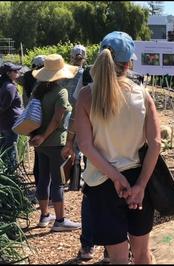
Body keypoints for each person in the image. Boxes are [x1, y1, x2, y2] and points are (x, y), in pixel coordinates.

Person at [75, 31, 161, 264]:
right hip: (137, 180)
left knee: (118, 258)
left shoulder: (85, 96)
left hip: (101, 183)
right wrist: (140, 185)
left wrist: (115, 177)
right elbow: (155, 144)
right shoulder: (142, 95)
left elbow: (85, 145)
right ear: (129, 62)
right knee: (143, 254)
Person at [30, 54, 81, 231]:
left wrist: (38, 137)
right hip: (55, 143)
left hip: (40, 144)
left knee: (43, 179)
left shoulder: (37, 91)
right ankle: (60, 221)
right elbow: (58, 119)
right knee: (58, 182)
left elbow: (33, 116)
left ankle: (44, 216)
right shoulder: (61, 92)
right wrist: (45, 136)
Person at [22, 55, 46, 185]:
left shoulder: (27, 80)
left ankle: (39, 183)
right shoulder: (42, 83)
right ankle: (44, 185)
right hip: (43, 122)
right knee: (45, 156)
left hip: (31, 121)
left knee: (37, 153)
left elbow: (26, 103)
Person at [0, 62, 23, 174]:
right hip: (11, 123)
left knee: (6, 148)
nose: (17, 72)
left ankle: (8, 173)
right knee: (11, 150)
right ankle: (12, 174)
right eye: (15, 71)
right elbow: (4, 106)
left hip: (6, 122)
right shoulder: (10, 87)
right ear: (8, 73)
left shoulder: (5, 85)